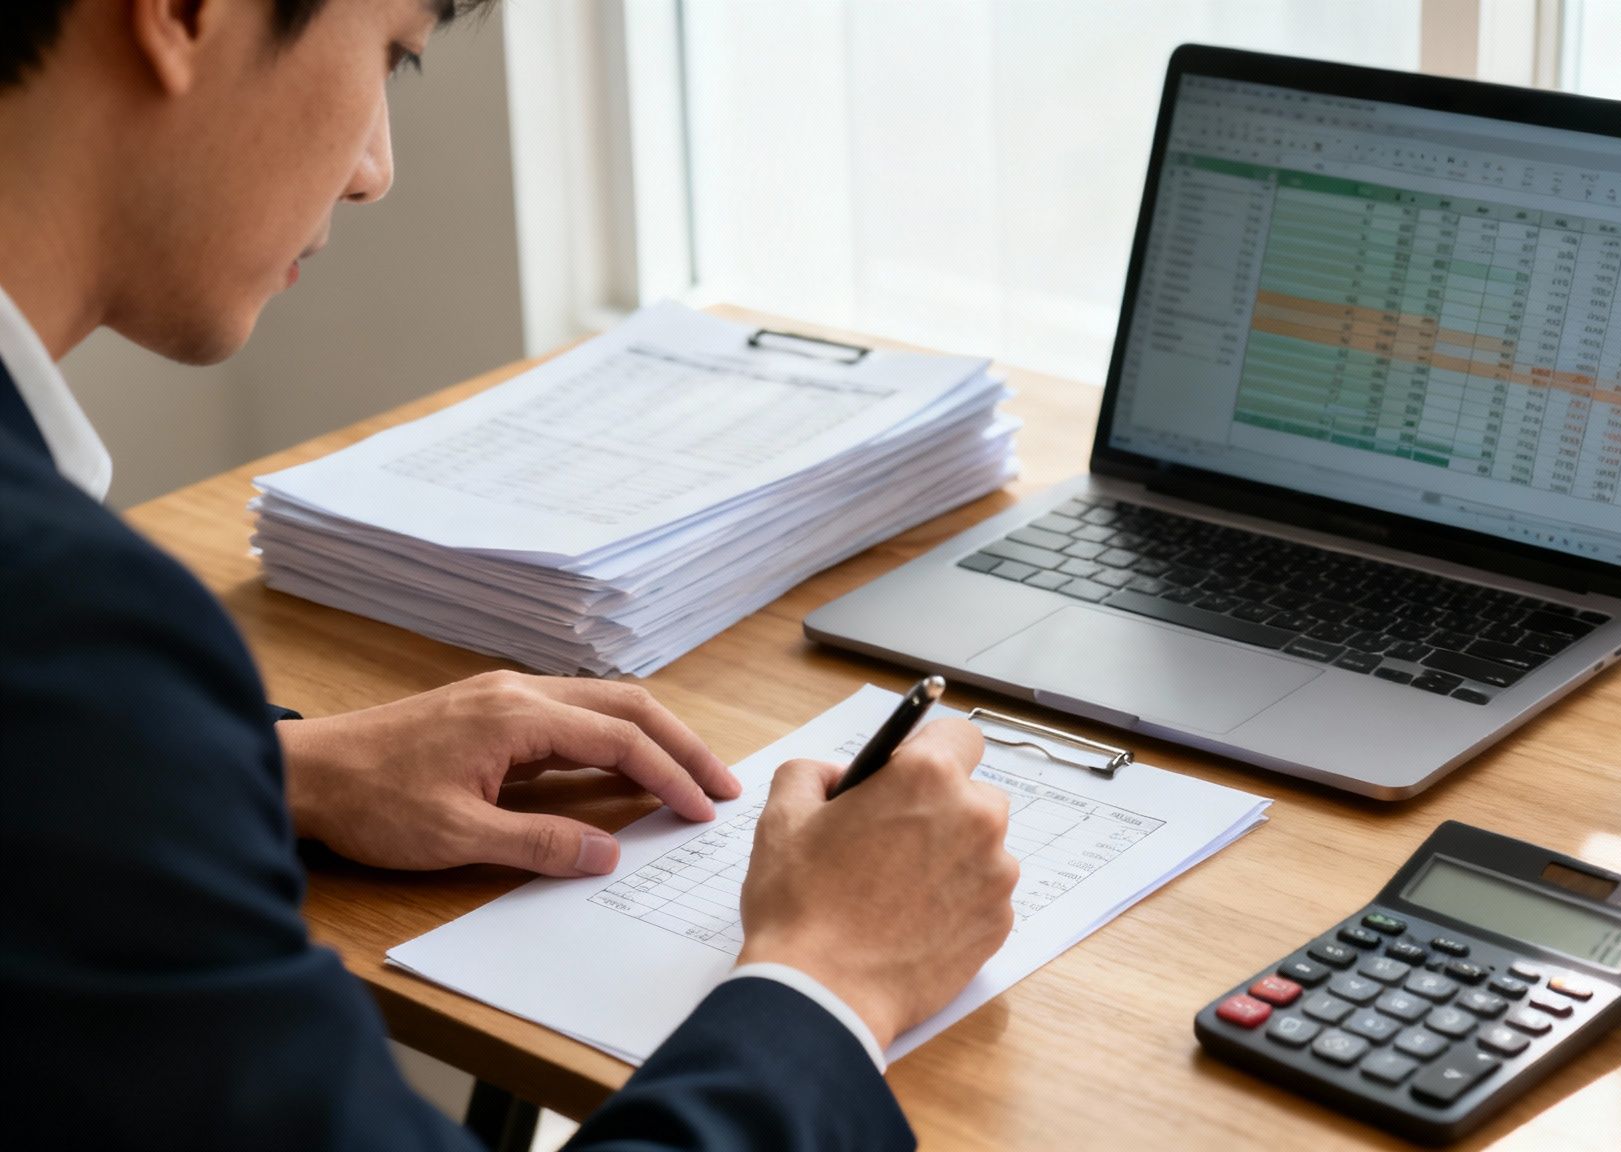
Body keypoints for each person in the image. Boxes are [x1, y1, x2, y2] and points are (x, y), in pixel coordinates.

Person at [0, 1, 1020, 1148]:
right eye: (391, 52)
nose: (373, 170)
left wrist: (281, 765)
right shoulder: (65, 632)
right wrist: (831, 979)